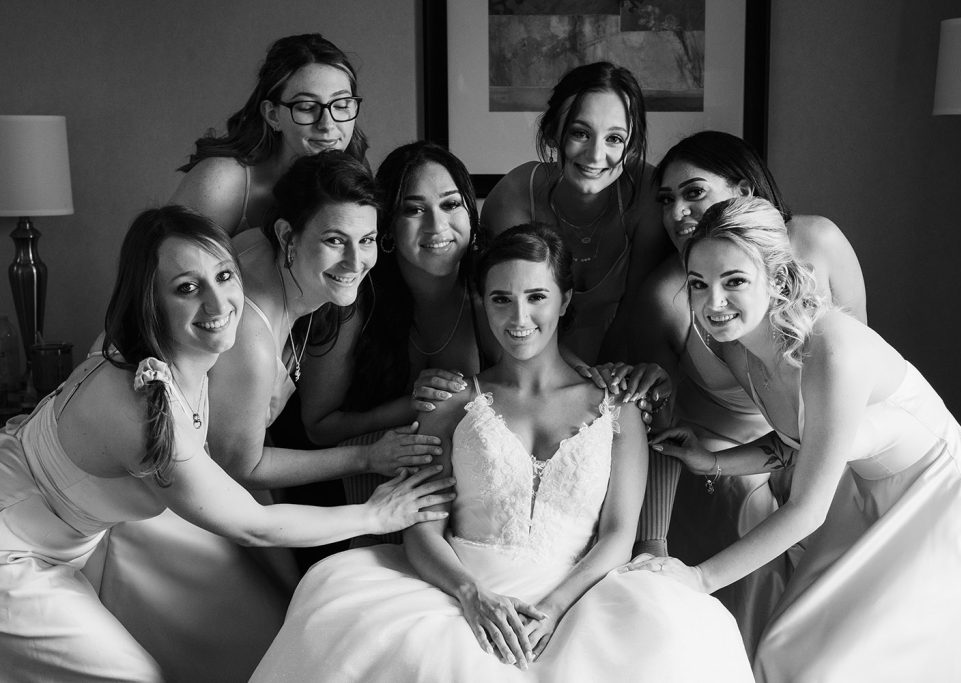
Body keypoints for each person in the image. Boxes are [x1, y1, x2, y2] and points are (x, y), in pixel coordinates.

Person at [250, 224, 754, 683]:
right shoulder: (450, 402)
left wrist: (555, 609)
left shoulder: (616, 407)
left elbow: (619, 535)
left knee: (679, 638)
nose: (518, 318)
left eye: (536, 296)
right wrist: (473, 597)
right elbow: (421, 527)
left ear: (564, 299)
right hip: (459, 589)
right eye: (500, 299)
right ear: (482, 301)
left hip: (581, 592)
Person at [0, 206, 453, 681]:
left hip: (74, 538)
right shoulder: (142, 403)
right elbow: (253, 525)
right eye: (187, 288)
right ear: (150, 303)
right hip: (14, 546)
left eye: (224, 276)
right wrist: (377, 514)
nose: (219, 306)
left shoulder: (199, 359)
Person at [624, 196, 961, 682]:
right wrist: (712, 461)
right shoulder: (739, 348)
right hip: (862, 494)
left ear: (775, 277)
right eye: (698, 284)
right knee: (784, 650)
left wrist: (698, 577)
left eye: (734, 282)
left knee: (844, 668)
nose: (714, 303)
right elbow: (797, 442)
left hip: (936, 500)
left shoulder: (832, 347)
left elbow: (808, 508)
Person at [628, 130, 867, 651]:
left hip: (839, 439)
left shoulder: (817, 243)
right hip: (738, 448)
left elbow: (865, 379)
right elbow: (651, 402)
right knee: (748, 503)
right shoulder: (670, 297)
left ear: (743, 189)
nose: (677, 212)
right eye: (666, 200)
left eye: (694, 192)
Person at [291, 141, 493, 557]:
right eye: (413, 209)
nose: (437, 226)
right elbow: (318, 425)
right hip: (364, 505)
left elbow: (537, 381)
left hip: (476, 510)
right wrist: (414, 403)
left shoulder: (492, 291)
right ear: (386, 228)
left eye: (451, 204)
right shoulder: (351, 303)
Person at [480, 61, 671, 364]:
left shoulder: (647, 193)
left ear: (631, 146)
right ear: (552, 133)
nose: (596, 155)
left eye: (614, 139)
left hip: (621, 359)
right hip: (525, 360)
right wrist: (578, 379)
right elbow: (509, 317)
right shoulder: (514, 198)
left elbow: (637, 308)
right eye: (581, 133)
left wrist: (603, 386)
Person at [170, 33, 368, 236]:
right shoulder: (222, 182)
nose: (327, 124)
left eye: (341, 105)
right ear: (272, 115)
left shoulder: (353, 176)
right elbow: (167, 262)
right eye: (307, 107)